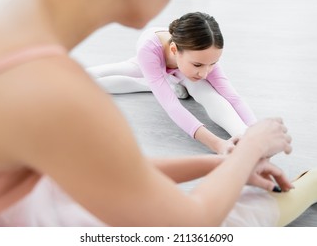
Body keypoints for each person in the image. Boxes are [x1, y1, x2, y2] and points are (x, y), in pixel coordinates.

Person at [0, 0, 317, 227]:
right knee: (240, 215)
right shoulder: (53, 88)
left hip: (30, 202)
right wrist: (250, 147)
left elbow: (109, 168)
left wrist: (219, 162)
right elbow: (189, 223)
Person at [87, 12, 256, 155]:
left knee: (207, 93)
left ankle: (244, 134)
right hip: (153, 62)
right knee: (105, 77)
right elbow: (172, 106)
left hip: (181, 66)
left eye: (213, 63)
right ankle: (155, 85)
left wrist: (256, 132)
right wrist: (217, 144)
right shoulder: (149, 52)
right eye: (198, 65)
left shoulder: (204, 54)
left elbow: (232, 96)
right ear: (175, 51)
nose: (205, 73)